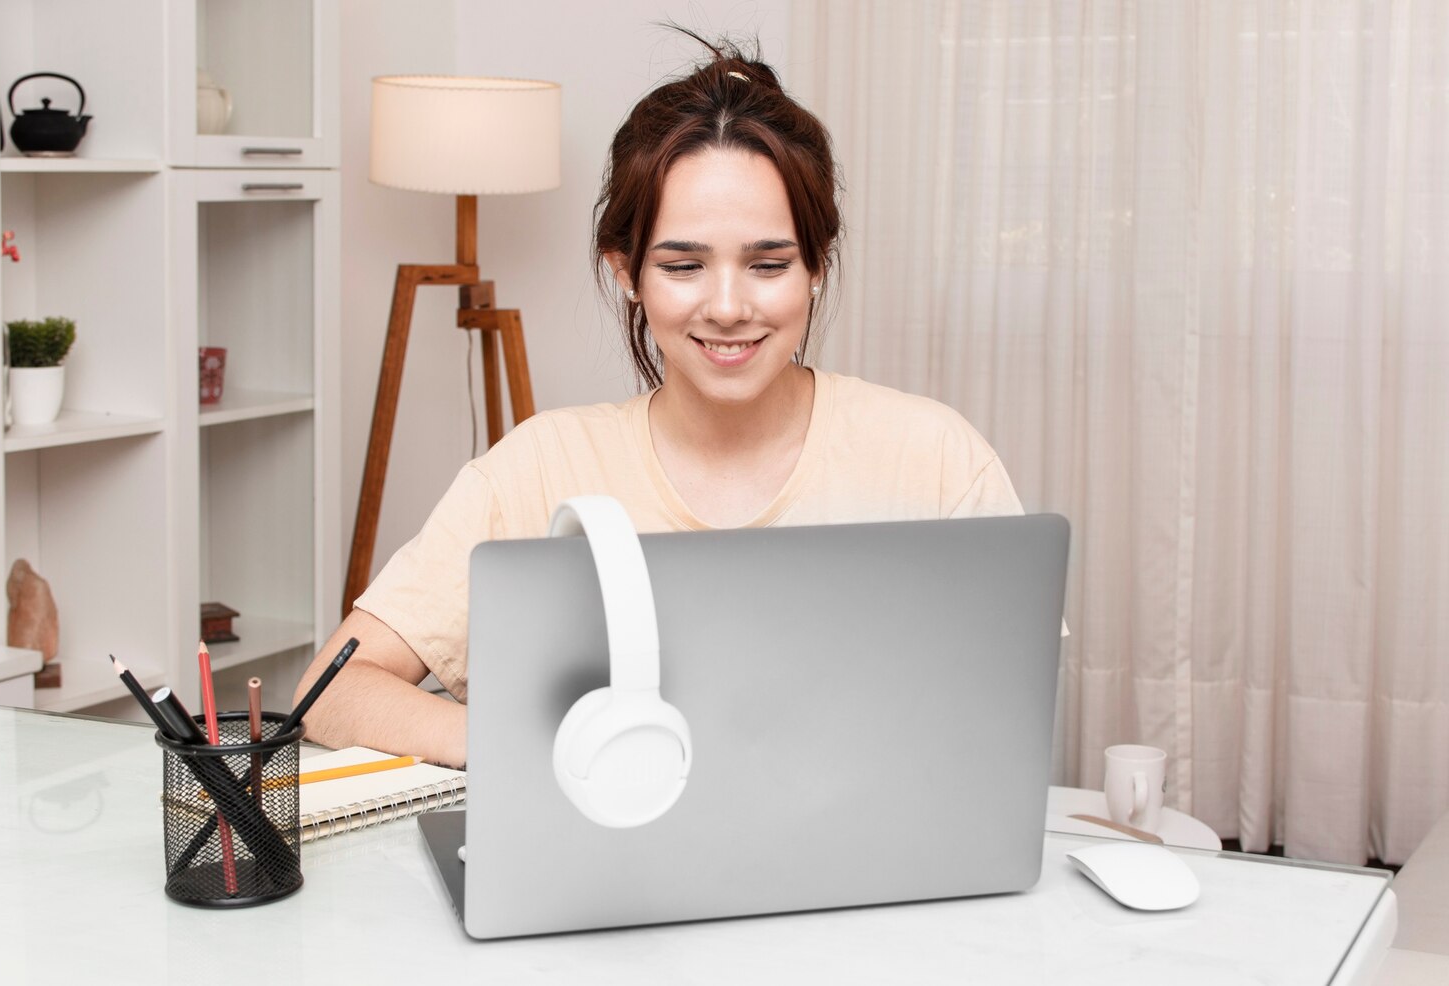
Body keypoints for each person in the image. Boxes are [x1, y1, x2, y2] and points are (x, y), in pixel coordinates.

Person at [295, 37, 1025, 767]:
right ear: (627, 272)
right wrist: (547, 750)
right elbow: (331, 692)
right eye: (683, 266)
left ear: (816, 269)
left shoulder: (934, 458)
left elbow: (1007, 712)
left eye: (769, 264)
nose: (729, 307)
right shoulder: (539, 468)